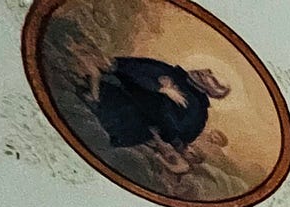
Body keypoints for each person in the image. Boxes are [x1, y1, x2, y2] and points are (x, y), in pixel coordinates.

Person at [63, 35, 232, 180]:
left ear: (214, 92)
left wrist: (159, 90)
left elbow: (165, 118)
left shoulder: (197, 112)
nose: (206, 73)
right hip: (114, 88)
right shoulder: (171, 71)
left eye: (213, 80)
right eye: (209, 71)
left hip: (127, 116)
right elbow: (129, 67)